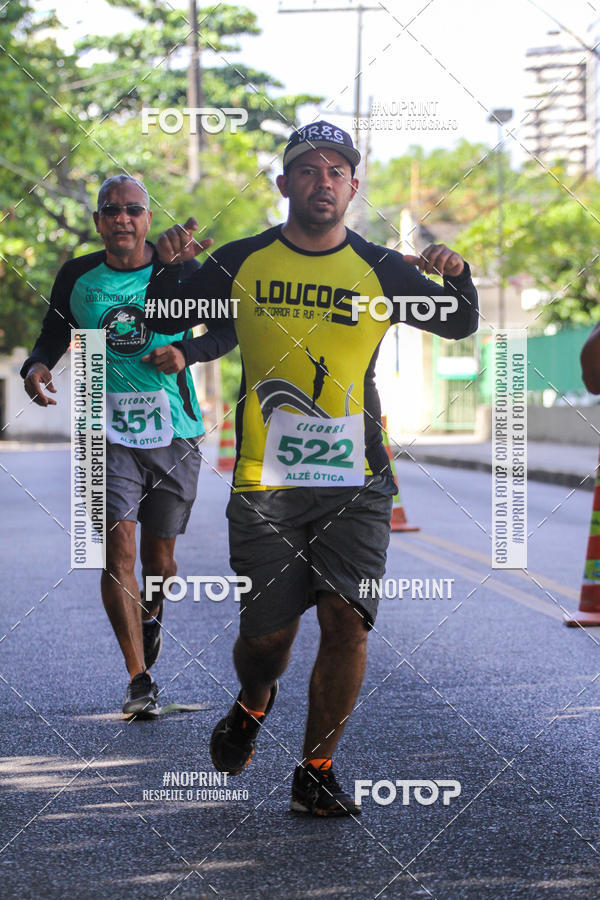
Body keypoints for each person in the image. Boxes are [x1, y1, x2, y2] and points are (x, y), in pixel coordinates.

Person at [144, 121, 479, 814]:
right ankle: (253, 699)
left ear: (353, 188)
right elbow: (165, 313)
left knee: (347, 621)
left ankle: (317, 769)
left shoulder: (383, 268)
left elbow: (458, 322)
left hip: (358, 479)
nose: (323, 182)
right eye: (308, 169)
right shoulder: (242, 260)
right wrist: (170, 266)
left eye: (336, 172)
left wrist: (459, 274)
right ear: (284, 183)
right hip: (265, 483)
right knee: (266, 641)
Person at [22, 175, 235, 717]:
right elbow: (54, 332)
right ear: (98, 221)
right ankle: (139, 679)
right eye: (112, 210)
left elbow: (227, 330)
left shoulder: (180, 269)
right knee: (117, 550)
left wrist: (186, 352)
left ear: (147, 219)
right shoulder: (77, 275)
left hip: (174, 428)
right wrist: (37, 365)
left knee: (160, 558)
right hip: (105, 429)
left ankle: (153, 611)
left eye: (133, 210)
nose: (122, 218)